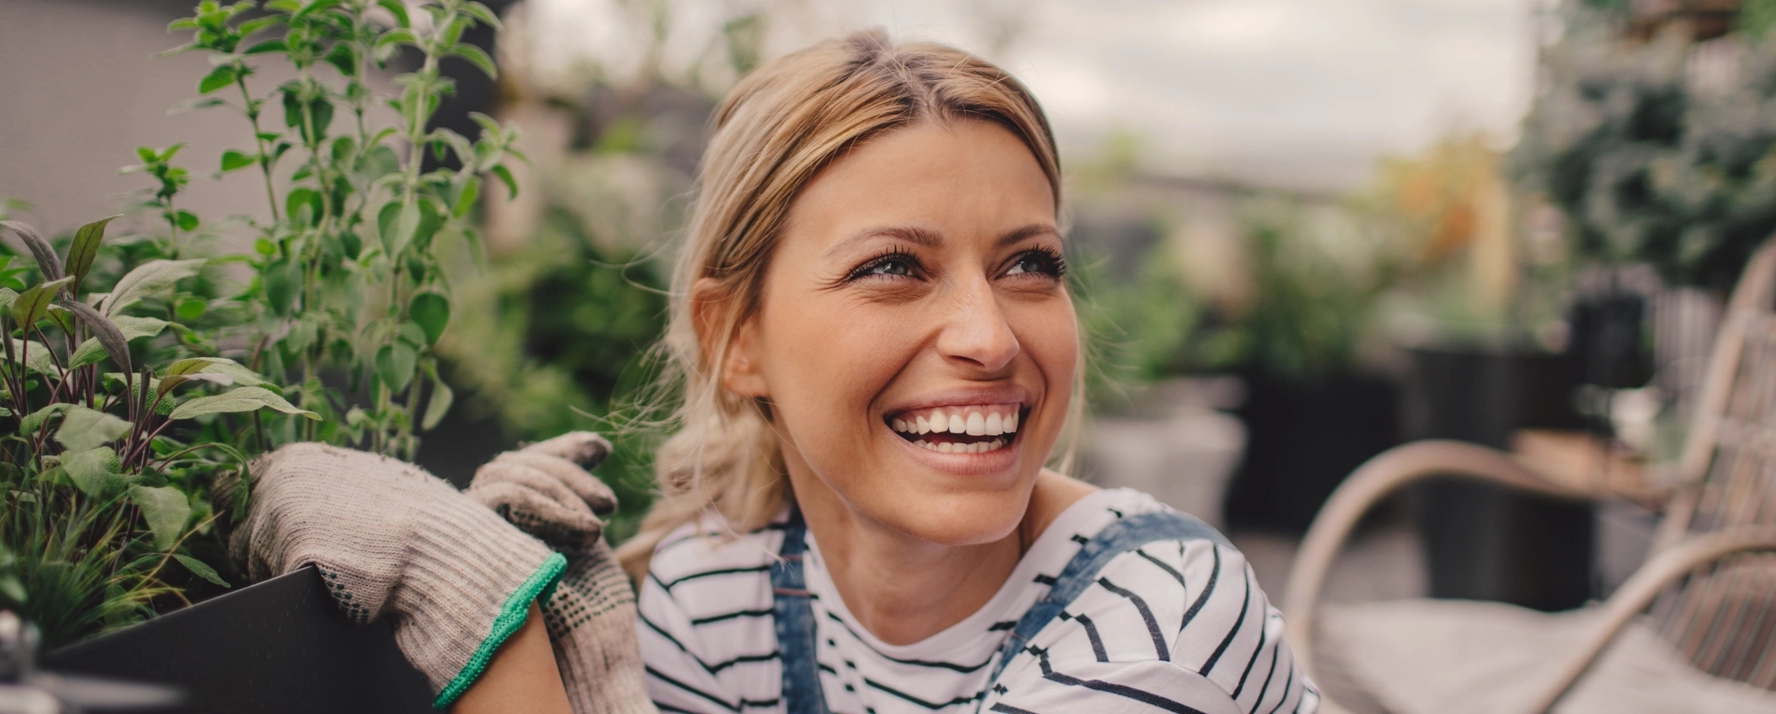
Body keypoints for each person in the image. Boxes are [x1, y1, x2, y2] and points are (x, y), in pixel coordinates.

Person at [229, 28, 1315, 714]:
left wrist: (486, 615)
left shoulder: (1155, 612)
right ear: (733, 340)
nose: (990, 336)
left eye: (1028, 264)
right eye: (895, 267)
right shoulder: (726, 598)